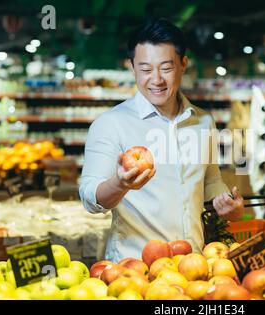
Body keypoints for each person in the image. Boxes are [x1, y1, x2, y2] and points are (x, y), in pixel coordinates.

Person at [79, 17, 244, 262]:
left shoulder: (203, 122)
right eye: (145, 69)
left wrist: (230, 206)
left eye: (166, 68)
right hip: (134, 269)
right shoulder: (111, 124)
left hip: (193, 265)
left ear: (183, 64)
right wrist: (120, 184)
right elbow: (90, 198)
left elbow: (210, 181)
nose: (156, 79)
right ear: (132, 67)